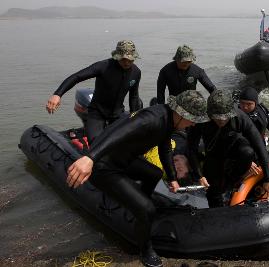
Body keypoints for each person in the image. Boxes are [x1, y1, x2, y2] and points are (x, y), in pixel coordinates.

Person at [65, 90, 210, 267]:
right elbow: (117, 132)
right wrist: (90, 158)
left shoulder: (169, 120)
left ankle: (139, 208)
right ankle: (146, 249)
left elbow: (165, 148)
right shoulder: (151, 119)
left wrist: (172, 177)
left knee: (155, 174)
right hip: (103, 166)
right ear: (181, 113)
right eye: (193, 119)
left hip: (123, 159)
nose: (193, 124)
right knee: (148, 209)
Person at [187, 89, 269, 208]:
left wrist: (268, 178)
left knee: (248, 152)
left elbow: (259, 145)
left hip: (235, 147)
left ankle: (234, 182)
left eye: (224, 117)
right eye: (217, 117)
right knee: (214, 191)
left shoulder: (240, 116)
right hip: (213, 152)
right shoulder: (200, 118)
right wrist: (199, 175)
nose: (221, 121)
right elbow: (191, 148)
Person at [46, 40, 142, 144]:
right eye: (124, 59)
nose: (127, 63)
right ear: (117, 56)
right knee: (97, 145)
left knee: (128, 142)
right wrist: (57, 94)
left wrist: (135, 118)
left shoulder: (136, 72)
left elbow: (134, 96)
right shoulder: (104, 66)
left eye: (130, 60)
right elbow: (76, 77)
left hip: (118, 114)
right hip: (97, 114)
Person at [239, 87, 269, 161]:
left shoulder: (262, 113)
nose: (245, 107)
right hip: (239, 150)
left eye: (249, 104)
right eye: (242, 103)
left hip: (258, 148)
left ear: (255, 103)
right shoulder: (234, 114)